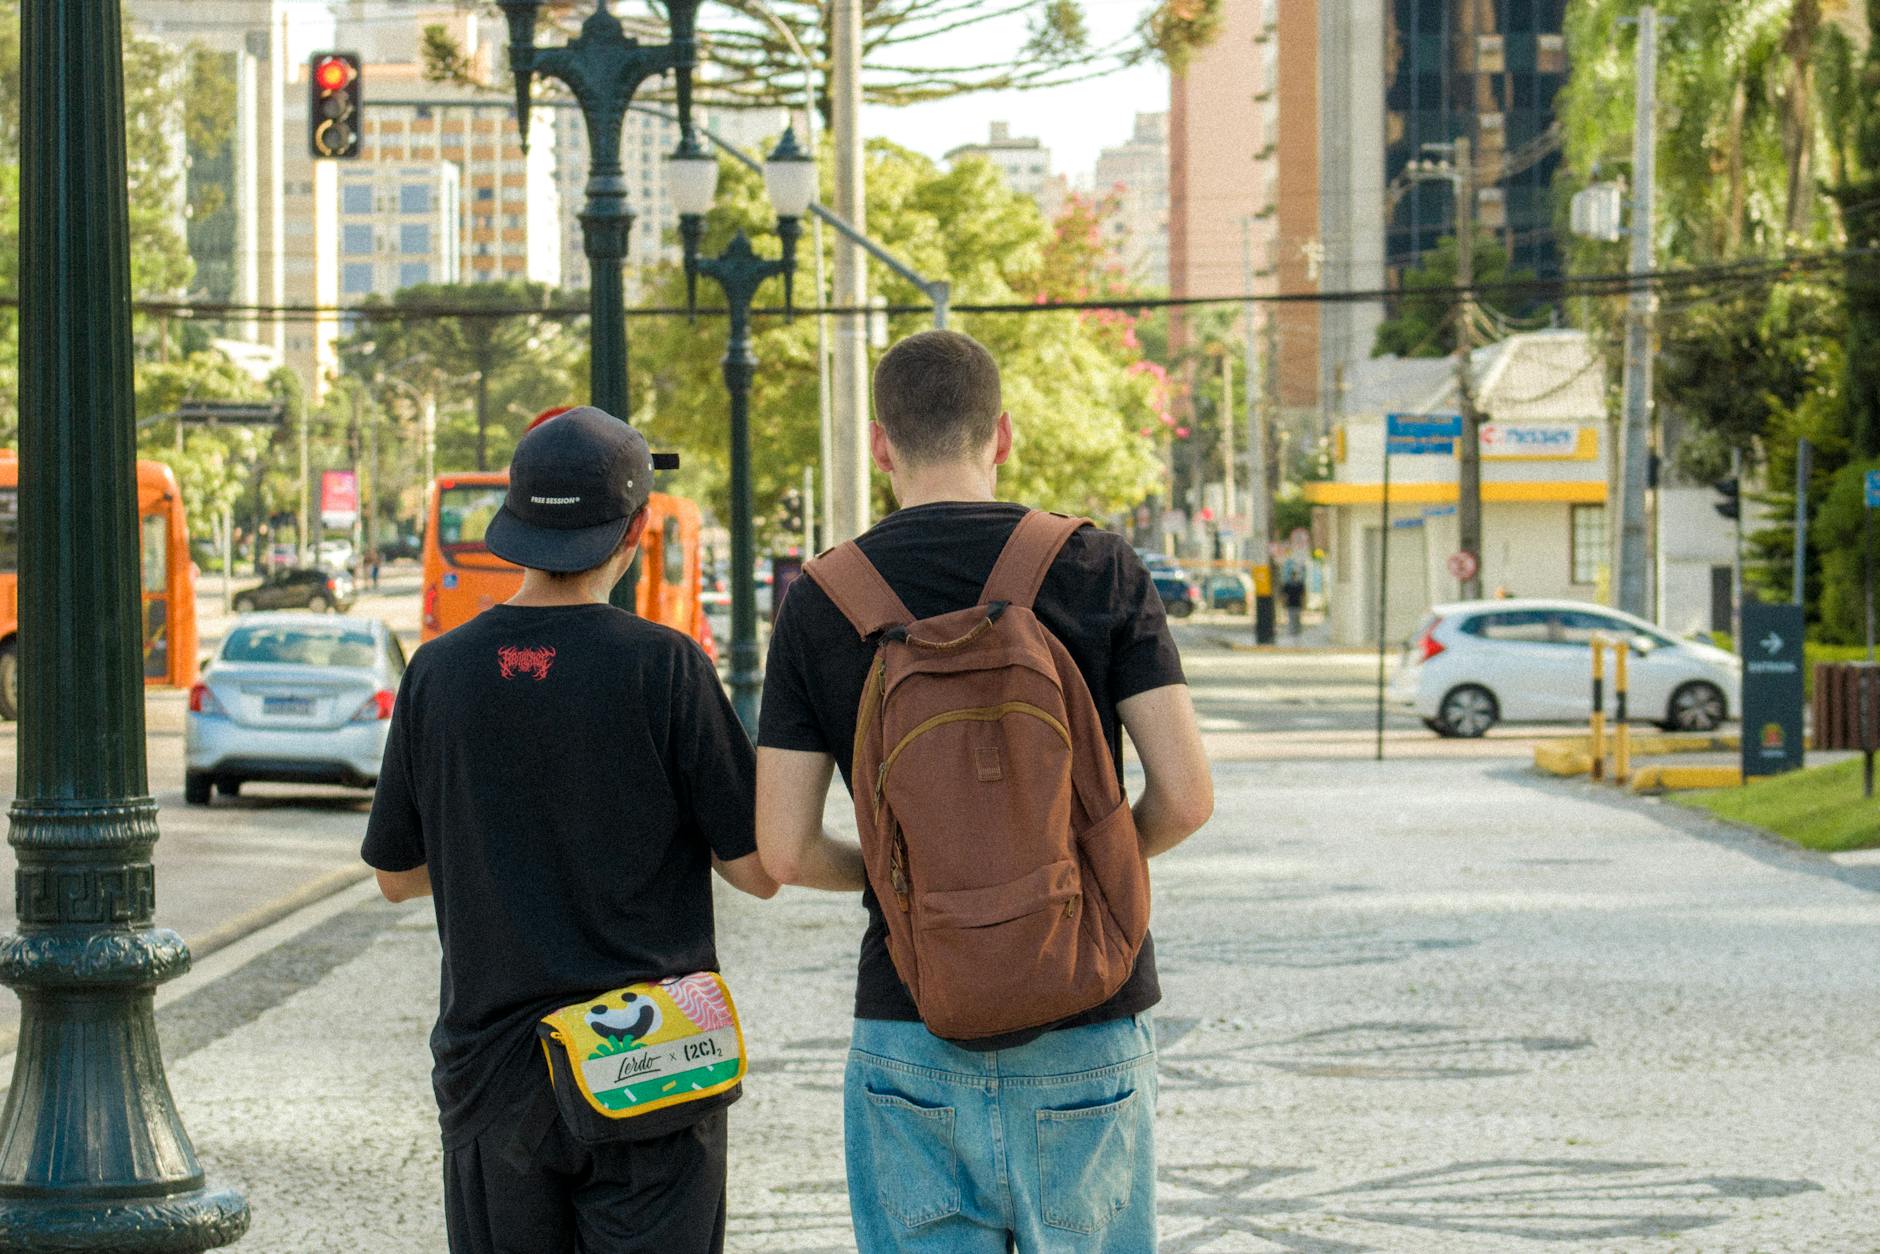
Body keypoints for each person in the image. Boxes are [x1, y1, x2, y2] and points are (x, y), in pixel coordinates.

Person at [756, 330, 1214, 1252]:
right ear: (1001, 434)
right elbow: (1187, 796)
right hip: (1087, 1009)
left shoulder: (821, 599)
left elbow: (785, 850)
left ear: (880, 443)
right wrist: (1079, 869)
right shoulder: (1100, 565)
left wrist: (921, 890)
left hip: (913, 1019)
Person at [362, 406, 778, 1254]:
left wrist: (502, 847)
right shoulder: (667, 667)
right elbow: (759, 870)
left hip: (495, 1075)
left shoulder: (437, 672)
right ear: (637, 527)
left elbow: (397, 876)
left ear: (512, 523)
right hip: (653, 1067)